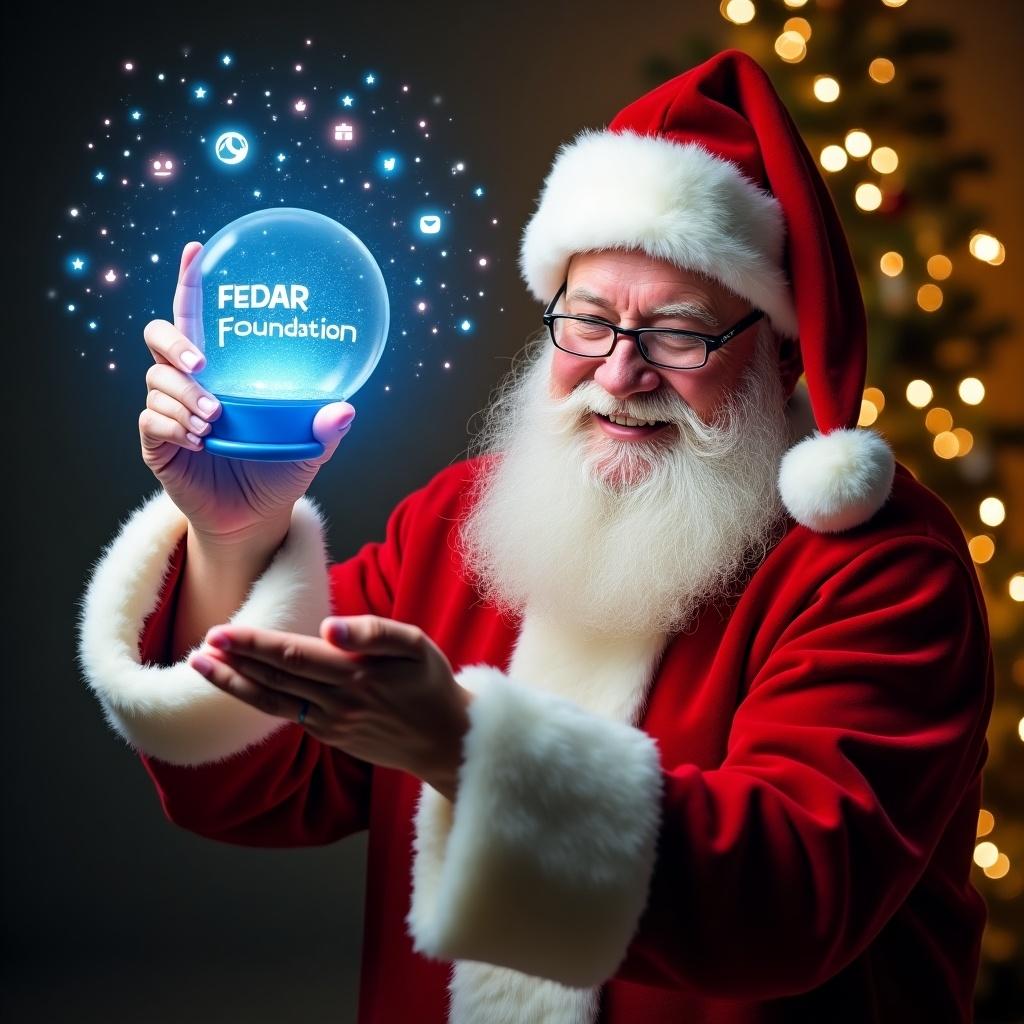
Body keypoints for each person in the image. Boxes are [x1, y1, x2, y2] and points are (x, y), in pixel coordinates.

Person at [76, 49, 994, 1023]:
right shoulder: (461, 519)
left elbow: (794, 895)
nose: (621, 372)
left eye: (679, 334)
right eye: (587, 321)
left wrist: (468, 750)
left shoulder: (883, 566)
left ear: (774, 351)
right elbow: (255, 783)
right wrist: (234, 535)